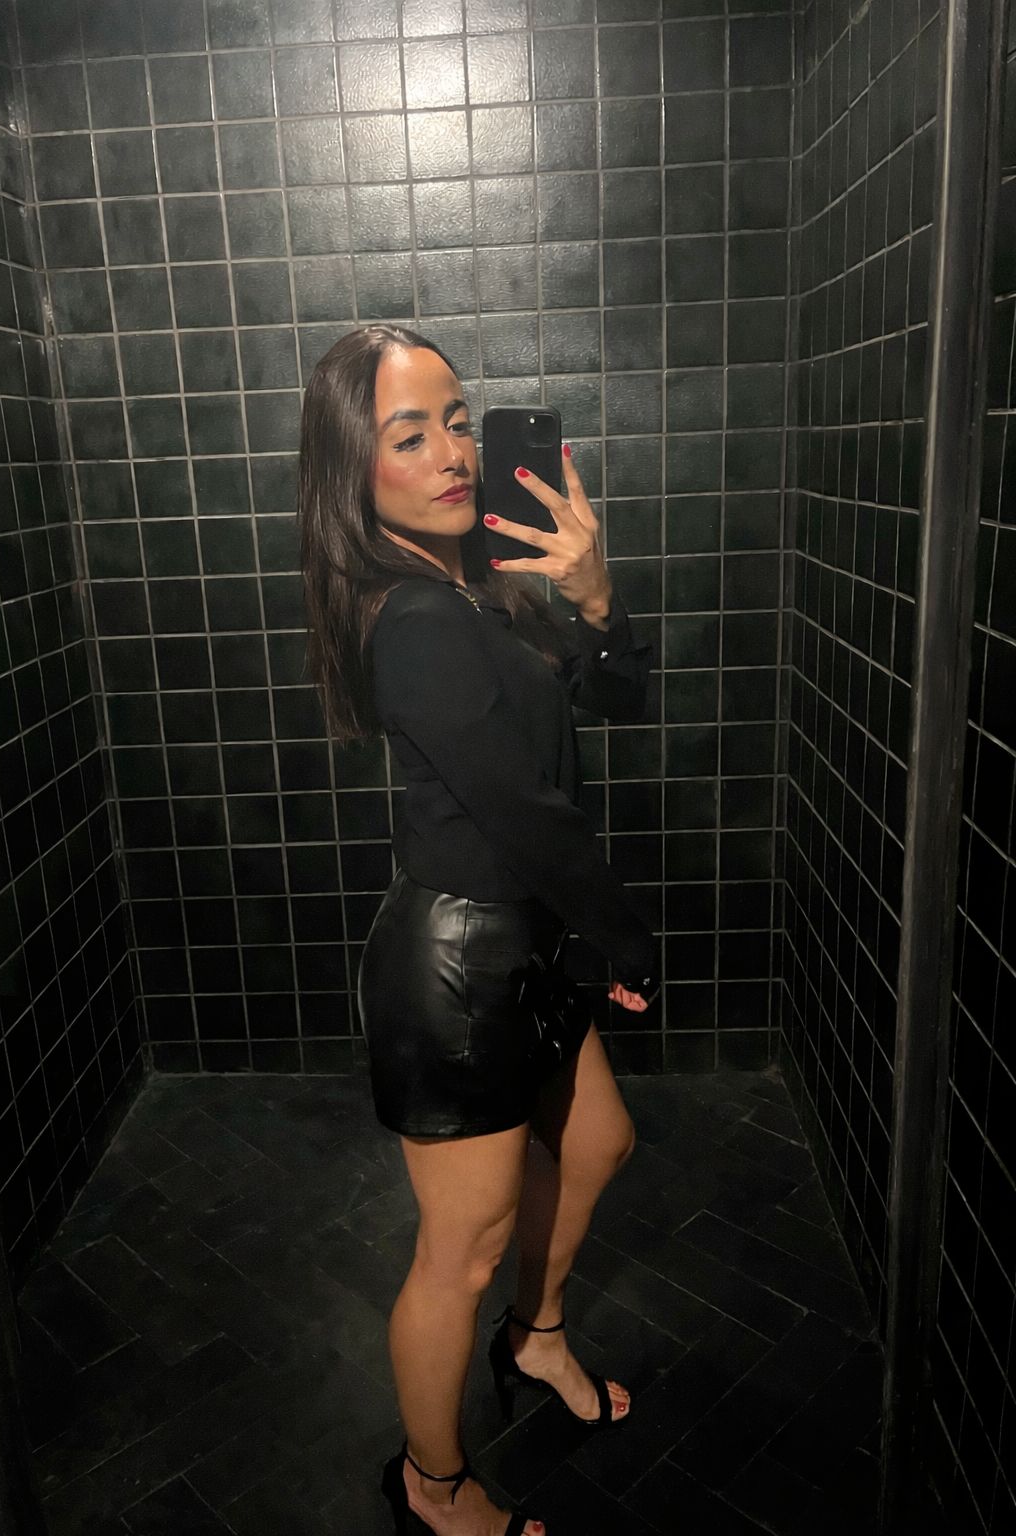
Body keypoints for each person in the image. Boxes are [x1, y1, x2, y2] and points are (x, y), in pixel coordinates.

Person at [298, 324, 660, 1536]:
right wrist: (620, 938)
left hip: (528, 940)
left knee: (595, 1143)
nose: (453, 453)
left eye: (457, 420)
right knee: (463, 1245)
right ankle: (433, 1485)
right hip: (457, 970)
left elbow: (614, 697)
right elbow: (525, 813)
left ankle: (535, 1338)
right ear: (354, 472)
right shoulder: (411, 619)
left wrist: (596, 597)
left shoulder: (484, 587)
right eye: (409, 435)